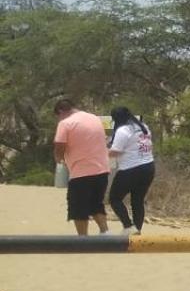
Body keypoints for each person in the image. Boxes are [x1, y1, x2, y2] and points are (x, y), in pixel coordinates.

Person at [52, 98, 109, 235]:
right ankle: (105, 233)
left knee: (78, 207)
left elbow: (59, 145)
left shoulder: (66, 123)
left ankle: (83, 239)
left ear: (61, 111)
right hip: (102, 170)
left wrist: (59, 159)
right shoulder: (95, 118)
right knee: (96, 203)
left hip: (81, 172)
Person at [106, 106, 157, 234]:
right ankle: (137, 229)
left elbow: (115, 151)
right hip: (148, 167)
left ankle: (128, 226)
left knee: (114, 198)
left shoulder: (123, 130)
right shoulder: (143, 126)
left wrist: (102, 151)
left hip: (130, 168)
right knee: (137, 200)